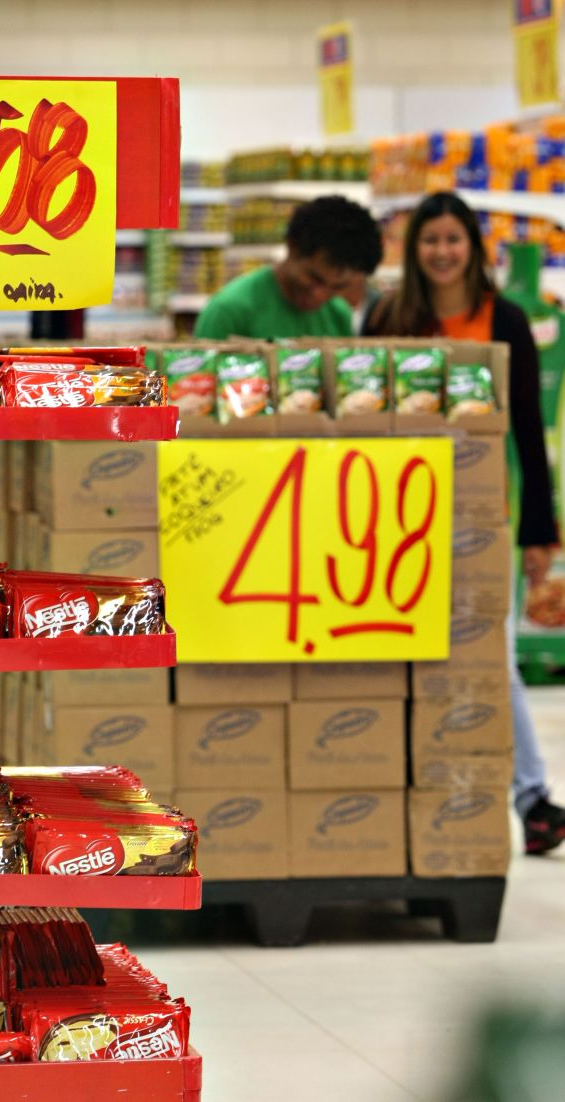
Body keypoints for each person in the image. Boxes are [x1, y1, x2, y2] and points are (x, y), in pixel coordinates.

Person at [363, 190, 565, 856]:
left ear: (474, 249)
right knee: (395, 650)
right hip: (394, 515)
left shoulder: (505, 319)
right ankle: (398, 787)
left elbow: (530, 435)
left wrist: (541, 532)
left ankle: (533, 798)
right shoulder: (389, 317)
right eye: (430, 240)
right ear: (413, 248)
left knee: (495, 657)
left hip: (483, 517)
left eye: (454, 240)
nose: (442, 252)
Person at [193, 195, 383, 340]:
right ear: (292, 247)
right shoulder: (230, 312)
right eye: (314, 278)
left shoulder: (338, 314)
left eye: (336, 287)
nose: (320, 295)